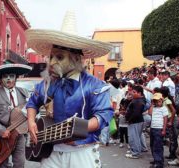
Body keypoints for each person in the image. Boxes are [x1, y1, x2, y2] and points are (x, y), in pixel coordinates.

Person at [25, 19, 113, 167]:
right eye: (51, 56)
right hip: (50, 152)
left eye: (59, 57)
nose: (52, 62)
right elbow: (32, 102)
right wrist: (31, 122)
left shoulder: (95, 85)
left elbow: (104, 115)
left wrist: (77, 128)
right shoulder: (46, 83)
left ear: (76, 59)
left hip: (81, 153)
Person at [0, 64, 31, 168]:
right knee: (3, 163)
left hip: (19, 134)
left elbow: (29, 110)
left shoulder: (23, 92)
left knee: (20, 163)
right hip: (3, 135)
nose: (9, 79)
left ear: (16, 78)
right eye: (5, 76)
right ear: (1, 79)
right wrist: (2, 131)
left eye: (11, 76)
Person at [148, 93, 168, 168]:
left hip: (159, 129)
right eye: (155, 101)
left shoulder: (164, 108)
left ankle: (159, 162)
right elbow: (150, 113)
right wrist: (152, 105)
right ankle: (156, 159)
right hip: (153, 128)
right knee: (152, 145)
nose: (157, 103)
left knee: (158, 146)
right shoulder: (154, 108)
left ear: (162, 101)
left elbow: (165, 119)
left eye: (158, 101)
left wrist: (164, 129)